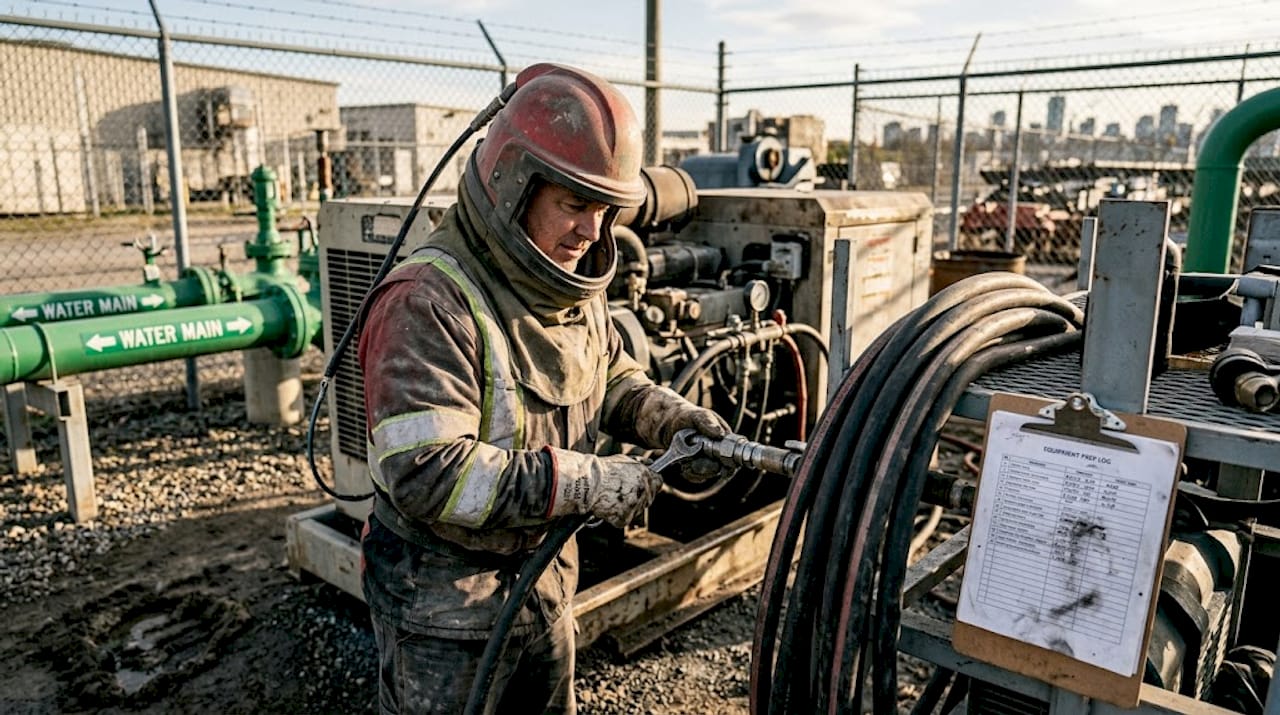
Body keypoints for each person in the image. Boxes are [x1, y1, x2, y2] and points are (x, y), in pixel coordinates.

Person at [357, 63, 731, 715]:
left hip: (546, 585)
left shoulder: (564, 278)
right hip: (447, 613)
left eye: (605, 211)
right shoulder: (430, 300)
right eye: (575, 204)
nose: (592, 233)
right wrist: (582, 483)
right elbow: (423, 471)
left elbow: (604, 373)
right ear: (511, 187)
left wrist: (669, 417)